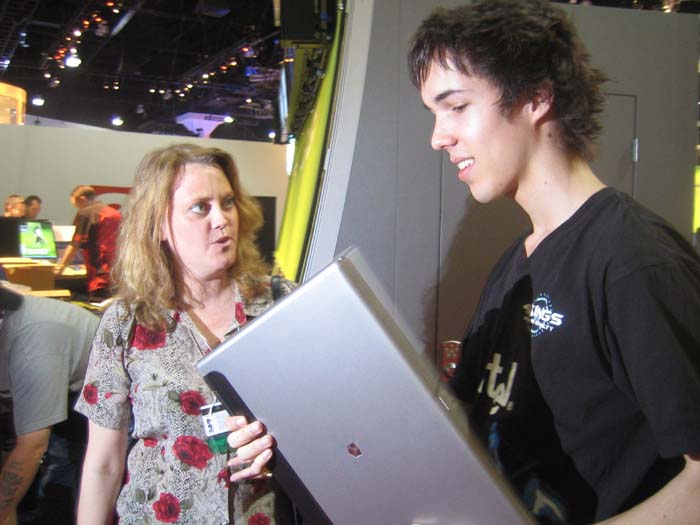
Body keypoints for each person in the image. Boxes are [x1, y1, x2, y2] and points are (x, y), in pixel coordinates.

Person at [228, 1, 700, 523]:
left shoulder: (634, 261)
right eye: (435, 114)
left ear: (537, 96)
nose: (438, 137)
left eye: (456, 107)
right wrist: (294, 432)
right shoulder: (515, 265)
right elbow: (461, 431)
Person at [74, 143, 295, 525]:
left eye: (227, 203)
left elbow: (332, 424)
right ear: (159, 224)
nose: (222, 219)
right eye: (200, 207)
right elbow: (104, 463)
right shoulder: (126, 323)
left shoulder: (283, 305)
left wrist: (284, 446)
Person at [0, 287, 99, 525]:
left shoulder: (33, 345)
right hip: (52, 386)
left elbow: (33, 445)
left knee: (67, 487)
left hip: (96, 401)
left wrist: (4, 508)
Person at [55, 186, 121, 302]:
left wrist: (60, 269)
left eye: (77, 206)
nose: (77, 210)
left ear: (82, 199)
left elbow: (74, 244)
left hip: (99, 274)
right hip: (117, 273)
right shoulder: (114, 213)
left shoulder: (87, 213)